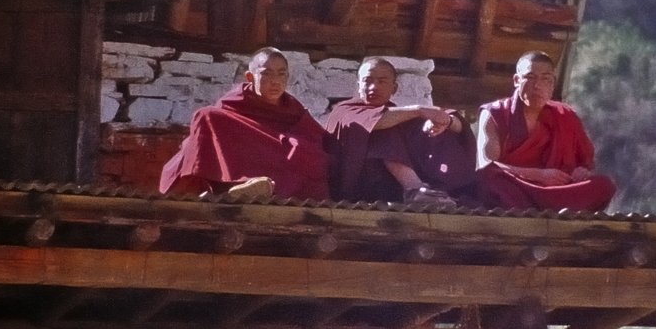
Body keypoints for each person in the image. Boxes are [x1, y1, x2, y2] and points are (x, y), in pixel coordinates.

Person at [160, 47, 330, 201]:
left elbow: (314, 135)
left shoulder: (293, 108)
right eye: (267, 73)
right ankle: (233, 188)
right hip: (248, 160)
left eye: (281, 73)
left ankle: (259, 187)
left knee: (308, 153)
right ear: (250, 77)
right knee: (206, 115)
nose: (276, 81)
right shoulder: (235, 102)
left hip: (279, 155)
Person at [325, 57, 477, 205]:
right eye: (367, 81)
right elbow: (376, 121)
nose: (373, 87)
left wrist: (444, 121)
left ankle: (442, 191)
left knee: (435, 131)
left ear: (394, 88)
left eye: (382, 81)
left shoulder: (400, 114)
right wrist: (419, 110)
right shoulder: (344, 110)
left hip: (393, 190)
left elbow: (457, 126)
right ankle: (414, 189)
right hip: (355, 187)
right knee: (377, 125)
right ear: (358, 86)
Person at [476, 51, 616, 212]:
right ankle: (553, 210)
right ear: (516, 80)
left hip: (557, 192)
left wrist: (582, 171)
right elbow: (487, 165)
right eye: (530, 77)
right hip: (517, 189)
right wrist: (539, 175)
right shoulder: (494, 113)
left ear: (552, 83)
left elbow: (585, 163)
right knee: (492, 181)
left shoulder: (565, 115)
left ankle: (546, 208)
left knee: (604, 185)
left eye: (545, 79)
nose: (537, 85)